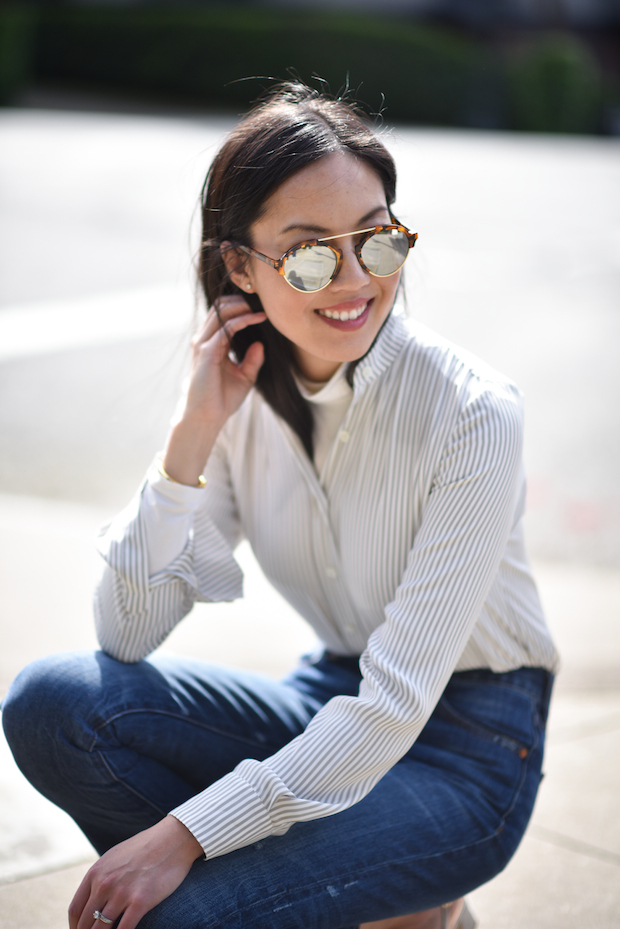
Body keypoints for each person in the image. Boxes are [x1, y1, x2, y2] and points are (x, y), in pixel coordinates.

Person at [2, 83, 558, 929]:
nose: (351, 280)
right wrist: (193, 432)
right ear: (240, 265)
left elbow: (396, 704)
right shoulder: (241, 397)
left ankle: (397, 889)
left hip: (471, 744)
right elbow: (125, 634)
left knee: (181, 914)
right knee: (52, 704)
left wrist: (187, 834)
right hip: (332, 693)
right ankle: (373, 897)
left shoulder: (473, 411)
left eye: (376, 240)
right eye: (306, 255)